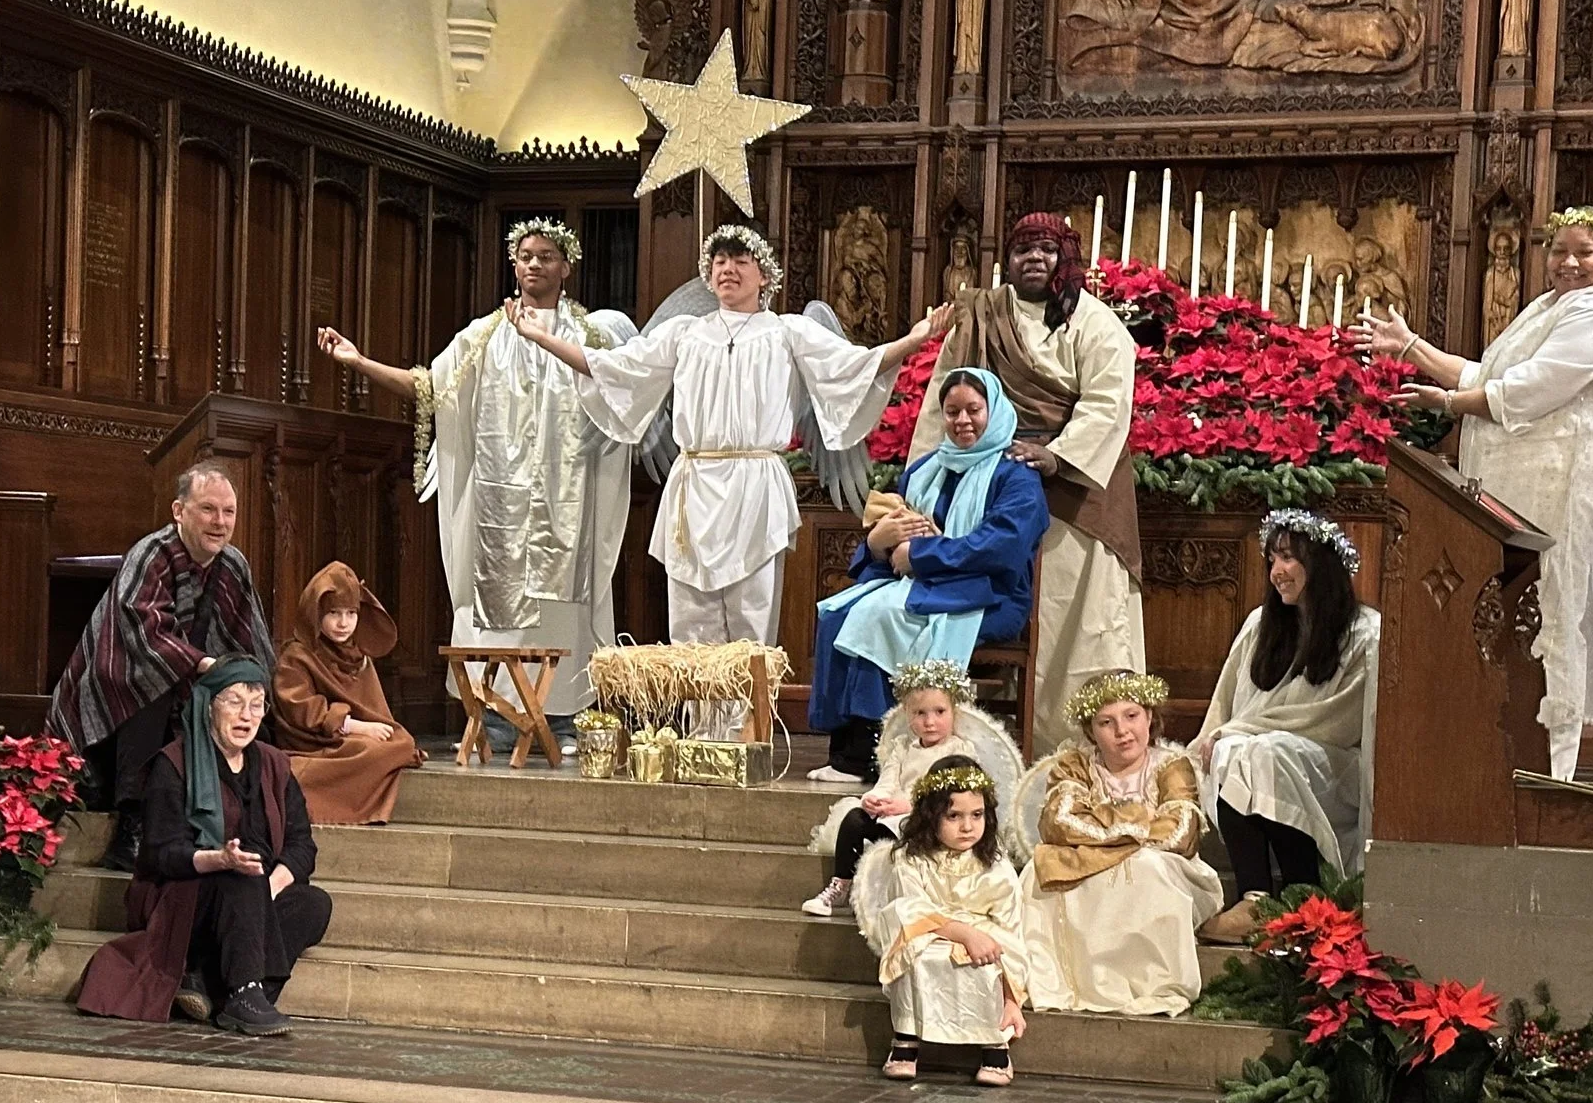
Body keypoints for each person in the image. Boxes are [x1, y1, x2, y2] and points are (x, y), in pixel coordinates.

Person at [513, 224, 944, 650]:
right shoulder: (683, 333)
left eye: (741, 261)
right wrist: (543, 338)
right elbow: (611, 368)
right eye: (720, 261)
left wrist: (915, 338)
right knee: (691, 630)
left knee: (750, 626)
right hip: (694, 485)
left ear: (764, 275)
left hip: (755, 487)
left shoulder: (787, 333)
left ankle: (748, 723)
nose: (728, 270)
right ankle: (702, 724)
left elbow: (855, 367)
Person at [1360, 206, 1593, 781]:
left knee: (1557, 609)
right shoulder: (1547, 307)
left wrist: (1445, 406)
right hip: (1527, 488)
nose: (1569, 262)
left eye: (1585, 253)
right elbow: (1483, 376)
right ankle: (1504, 762)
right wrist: (1411, 347)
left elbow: (1528, 390)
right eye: (1559, 251)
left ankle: (1555, 777)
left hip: (1568, 484)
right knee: (1518, 613)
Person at [316, 219, 636, 727]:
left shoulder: (591, 337)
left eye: (546, 255)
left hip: (567, 505)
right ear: (514, 265)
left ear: (567, 266)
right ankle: (497, 718)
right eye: (526, 255)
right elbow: (428, 387)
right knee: (498, 609)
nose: (535, 264)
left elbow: (626, 398)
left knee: (563, 611)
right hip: (501, 509)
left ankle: (562, 721)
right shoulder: (484, 337)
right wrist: (359, 362)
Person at [930, 211, 1146, 745]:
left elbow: (1107, 404)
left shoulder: (1096, 324)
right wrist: (926, 477)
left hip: (1077, 492)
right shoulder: (982, 316)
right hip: (992, 487)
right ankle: (978, 743)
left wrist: (1056, 456)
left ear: (1064, 258)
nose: (1034, 258)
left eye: (1046, 249)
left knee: (1079, 620)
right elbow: (946, 395)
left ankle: (1078, 745)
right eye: (1024, 248)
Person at [808, 366, 1048, 783]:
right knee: (836, 614)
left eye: (973, 410)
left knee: (876, 617)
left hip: (989, 594)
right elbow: (895, 541)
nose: (962, 421)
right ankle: (846, 746)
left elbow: (1002, 546)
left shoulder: (1015, 474)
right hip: (923, 586)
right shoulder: (925, 470)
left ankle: (871, 754)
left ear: (994, 411)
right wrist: (879, 543)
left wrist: (921, 554)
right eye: (952, 412)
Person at [78, 659, 331, 1038]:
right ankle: (245, 994)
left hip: (253, 896)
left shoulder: (275, 764)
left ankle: (213, 986)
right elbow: (161, 854)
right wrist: (219, 860)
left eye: (257, 704)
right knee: (239, 878)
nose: (247, 715)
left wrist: (271, 885)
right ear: (209, 704)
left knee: (313, 904)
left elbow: (301, 846)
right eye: (234, 702)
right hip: (187, 895)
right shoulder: (174, 763)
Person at [48, 463, 277, 869]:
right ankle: (132, 826)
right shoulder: (151, 553)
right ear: (178, 511)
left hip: (196, 681)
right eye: (208, 509)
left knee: (246, 696)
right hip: (122, 682)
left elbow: (249, 638)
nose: (220, 522)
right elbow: (140, 633)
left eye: (229, 512)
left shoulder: (234, 564)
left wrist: (248, 680)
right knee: (154, 681)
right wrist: (203, 665)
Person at [1192, 512, 1381, 942]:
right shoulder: (1262, 624)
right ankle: (1255, 897)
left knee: (1263, 749)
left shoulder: (1364, 633)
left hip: (1332, 766)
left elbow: (1337, 717)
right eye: (1272, 559)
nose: (1277, 572)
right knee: (1236, 751)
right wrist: (1216, 737)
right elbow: (1225, 702)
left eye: (1289, 559)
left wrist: (1244, 730)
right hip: (1267, 756)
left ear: (1321, 565)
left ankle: (1304, 893)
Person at [1020, 671, 1225, 1015]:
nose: (1122, 731)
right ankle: (1078, 979)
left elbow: (1180, 831)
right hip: (1104, 856)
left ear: (1149, 717)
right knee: (1038, 871)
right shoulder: (1075, 766)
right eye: (1106, 722)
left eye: (1132, 716)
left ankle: (1144, 980)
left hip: (1166, 864)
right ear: (1090, 730)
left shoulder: (1171, 766)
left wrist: (1102, 824)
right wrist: (1139, 823)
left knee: (1146, 867)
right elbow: (1059, 822)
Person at [802, 658, 1025, 918]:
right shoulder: (903, 747)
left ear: (955, 713)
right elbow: (888, 779)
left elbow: (949, 797)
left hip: (928, 821)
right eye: (921, 713)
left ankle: (893, 894)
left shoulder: (959, 750)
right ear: (908, 715)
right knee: (854, 820)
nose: (930, 722)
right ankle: (841, 885)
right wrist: (876, 799)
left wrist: (909, 806)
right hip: (892, 815)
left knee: (904, 840)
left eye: (940, 712)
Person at [854, 758, 1028, 1086]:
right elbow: (908, 909)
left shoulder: (995, 862)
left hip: (985, 933)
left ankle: (994, 1044)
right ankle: (906, 1037)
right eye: (954, 816)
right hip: (928, 932)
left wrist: (1011, 998)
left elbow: (1011, 924)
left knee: (986, 956)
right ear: (931, 816)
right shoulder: (911, 859)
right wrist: (961, 933)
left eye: (976, 815)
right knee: (915, 953)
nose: (967, 827)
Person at [272, 561, 424, 826]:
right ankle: (318, 796)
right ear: (315, 612)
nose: (343, 623)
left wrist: (373, 728)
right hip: (312, 740)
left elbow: (374, 707)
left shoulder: (358, 655)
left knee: (400, 743)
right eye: (334, 613)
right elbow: (299, 707)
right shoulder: (297, 655)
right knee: (368, 749)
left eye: (351, 613)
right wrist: (355, 726)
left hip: (349, 737)